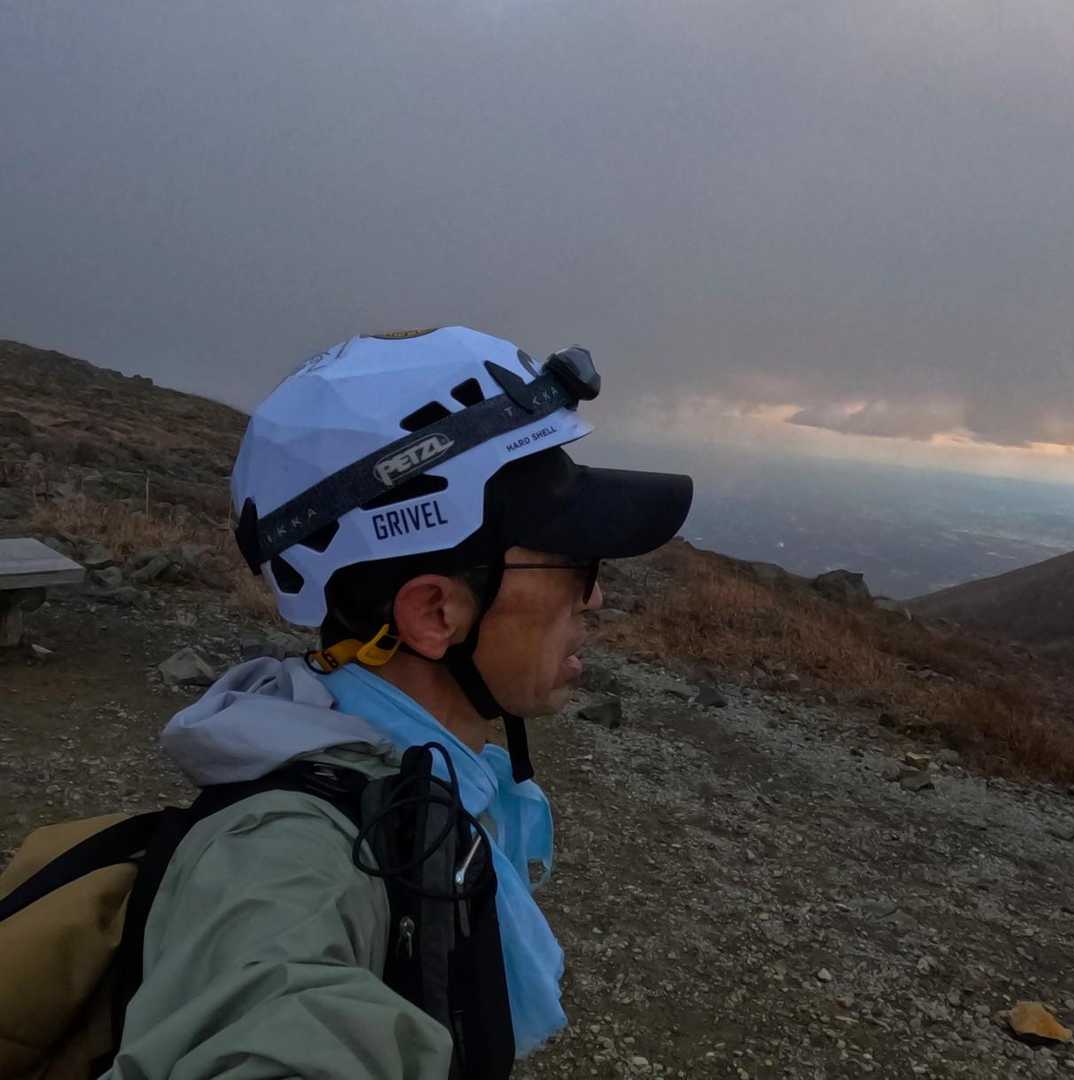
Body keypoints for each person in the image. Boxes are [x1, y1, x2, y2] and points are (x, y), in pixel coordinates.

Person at [102, 326, 693, 1079]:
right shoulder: (285, 857)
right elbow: (268, 1009)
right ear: (435, 613)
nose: (597, 596)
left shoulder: (411, 773)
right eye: (576, 561)